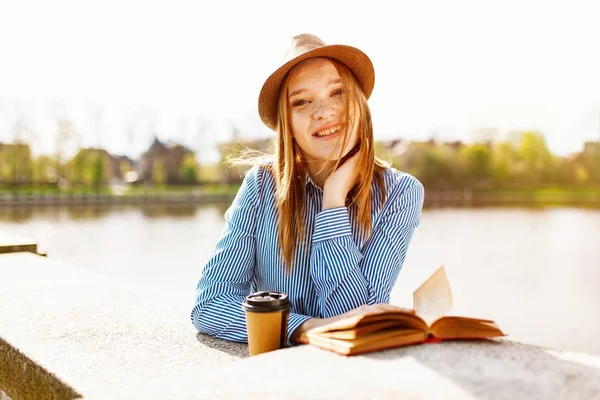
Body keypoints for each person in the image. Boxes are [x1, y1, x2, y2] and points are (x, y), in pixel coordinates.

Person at [191, 33, 424, 345]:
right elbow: (210, 306)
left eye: (336, 93)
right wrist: (305, 327)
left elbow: (353, 317)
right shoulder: (261, 186)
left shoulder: (400, 193)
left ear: (358, 102)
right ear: (287, 122)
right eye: (301, 101)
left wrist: (333, 200)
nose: (324, 111)